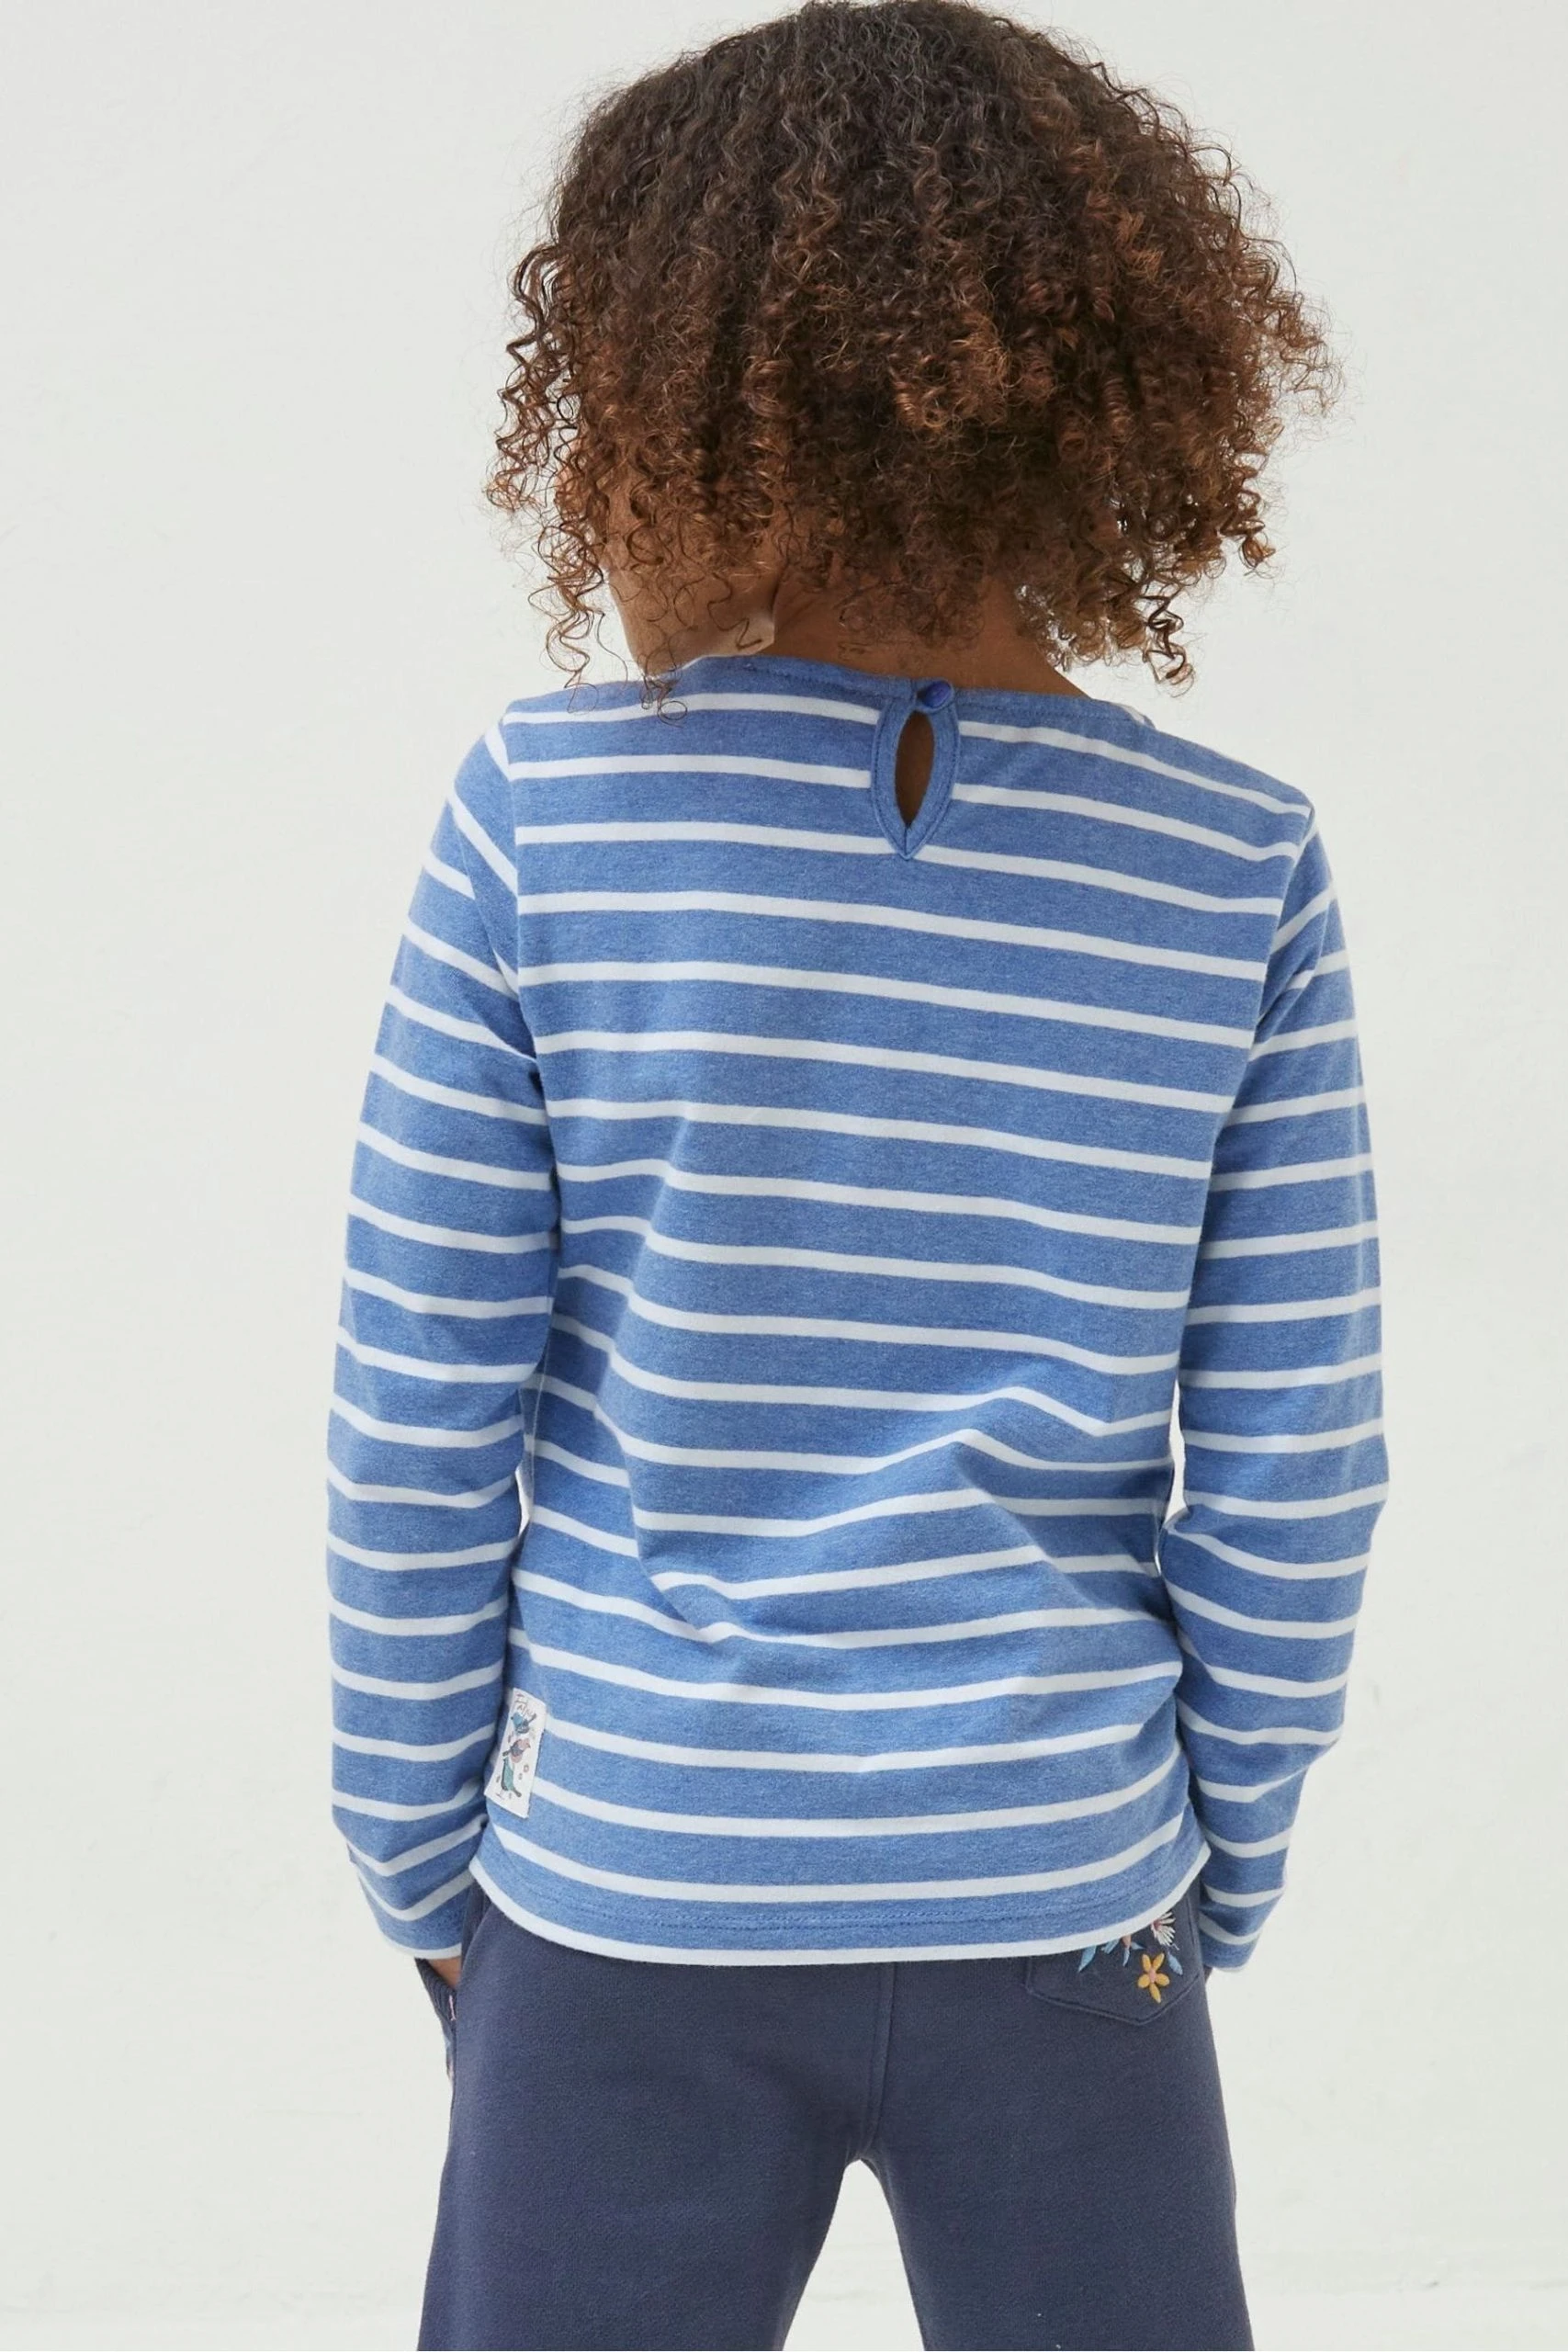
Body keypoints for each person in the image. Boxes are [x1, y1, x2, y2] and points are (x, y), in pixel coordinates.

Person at [324, 5, 1386, 2345]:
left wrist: (417, 1848)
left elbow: (422, 1407)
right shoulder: (1232, 866)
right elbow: (1292, 1466)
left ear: (674, 390)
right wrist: (1204, 1854)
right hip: (1064, 1881)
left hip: (626, 1882)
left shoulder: (541, 816)